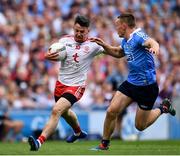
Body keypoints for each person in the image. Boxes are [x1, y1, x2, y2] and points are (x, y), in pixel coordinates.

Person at [90, 13, 176, 150]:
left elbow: (153, 42)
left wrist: (155, 48)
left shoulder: (138, 36)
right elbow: (118, 53)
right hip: (131, 84)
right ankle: (104, 144)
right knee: (111, 111)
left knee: (140, 126)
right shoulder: (126, 41)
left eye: (117, 26)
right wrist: (103, 46)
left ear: (124, 26)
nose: (116, 29)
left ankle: (163, 108)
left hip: (147, 87)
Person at [28, 15, 106, 151]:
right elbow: (52, 53)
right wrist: (46, 56)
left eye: (82, 31)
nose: (79, 34)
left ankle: (39, 142)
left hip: (76, 86)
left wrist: (127, 49)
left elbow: (115, 52)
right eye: (76, 30)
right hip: (60, 84)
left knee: (56, 110)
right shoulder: (64, 40)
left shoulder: (94, 45)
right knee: (65, 112)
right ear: (73, 28)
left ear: (88, 31)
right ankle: (78, 132)